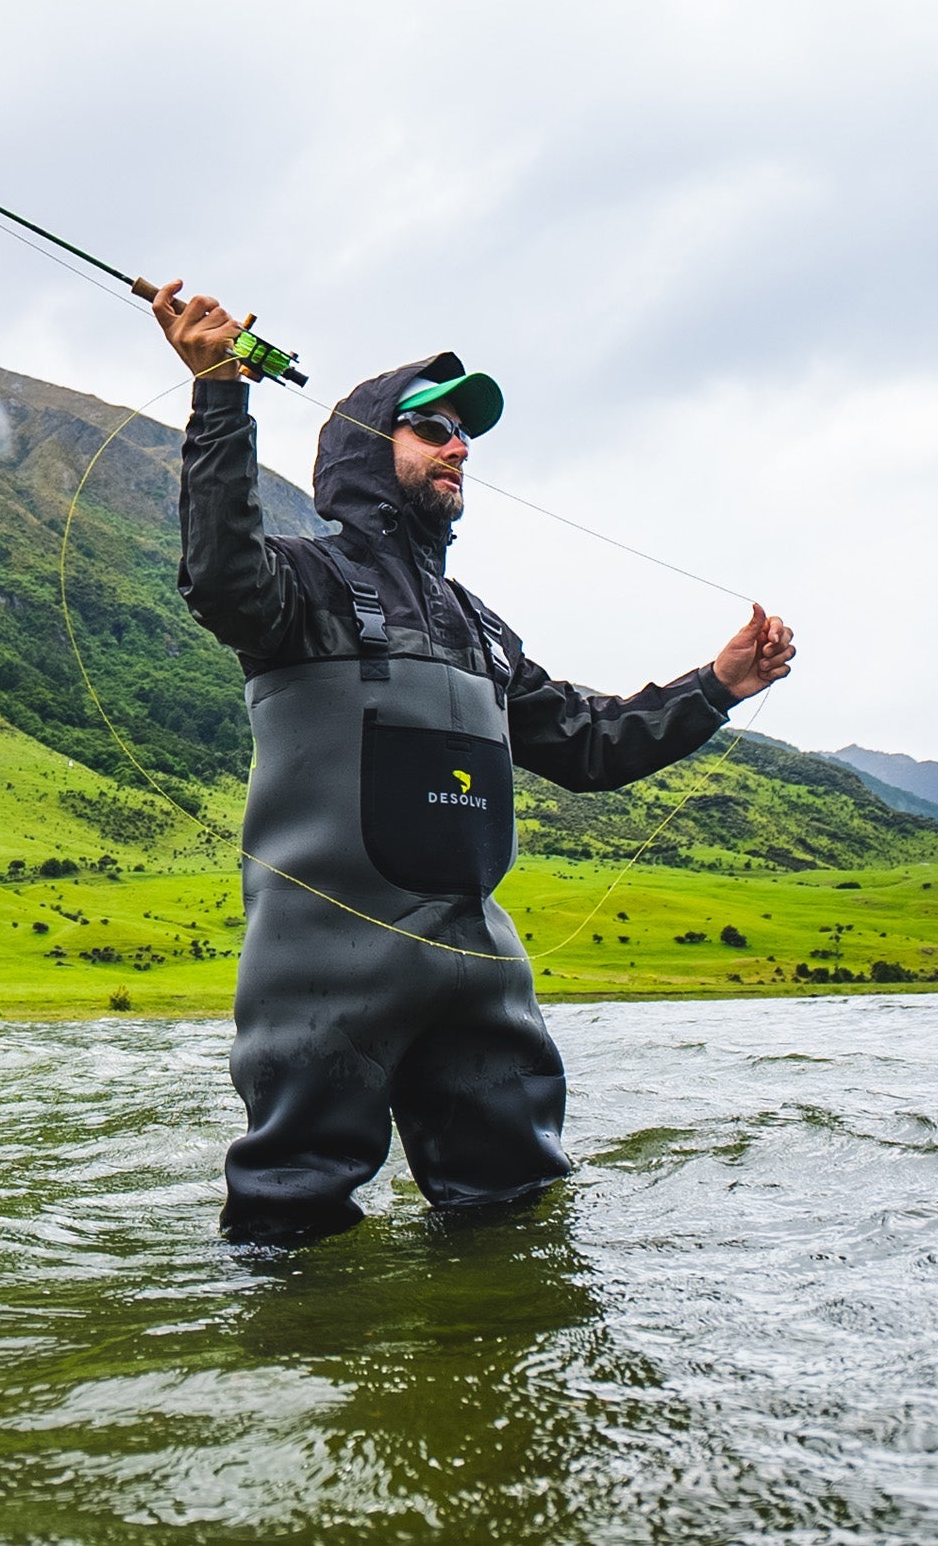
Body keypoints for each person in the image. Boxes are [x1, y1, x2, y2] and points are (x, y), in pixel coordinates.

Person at [153, 282, 795, 1245]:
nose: (461, 446)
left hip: (479, 971)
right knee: (289, 1230)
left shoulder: (483, 628)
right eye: (434, 428)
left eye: (466, 434)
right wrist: (219, 393)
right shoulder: (300, 583)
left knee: (519, 1226)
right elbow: (220, 573)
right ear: (373, 448)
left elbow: (587, 745)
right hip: (323, 973)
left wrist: (719, 684)